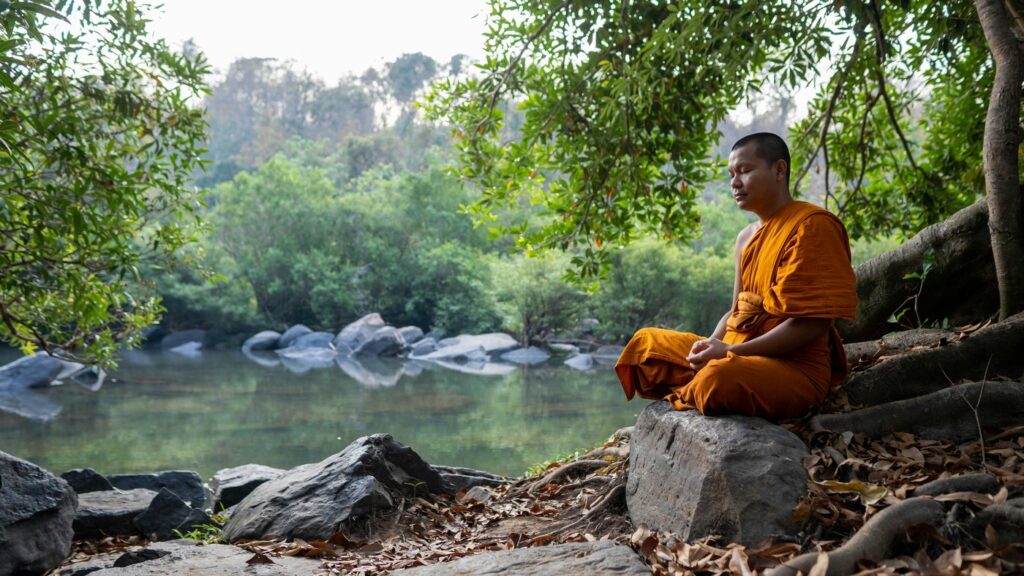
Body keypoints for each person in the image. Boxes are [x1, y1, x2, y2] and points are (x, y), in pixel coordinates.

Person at [614, 133, 857, 419]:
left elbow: (812, 325)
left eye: (745, 171)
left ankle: (701, 385)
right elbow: (735, 311)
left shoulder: (812, 226)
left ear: (779, 170)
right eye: (731, 174)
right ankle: (701, 382)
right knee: (645, 346)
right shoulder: (745, 238)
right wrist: (710, 345)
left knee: (719, 377)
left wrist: (731, 352)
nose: (735, 183)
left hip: (790, 366)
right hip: (734, 350)